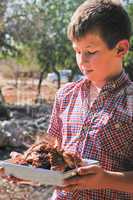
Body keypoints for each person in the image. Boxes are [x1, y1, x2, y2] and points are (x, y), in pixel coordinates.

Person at [47, 0, 133, 199]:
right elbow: (54, 156)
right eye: (77, 51)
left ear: (121, 49)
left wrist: (106, 179)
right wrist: (23, 167)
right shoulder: (66, 95)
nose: (81, 61)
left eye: (91, 52)